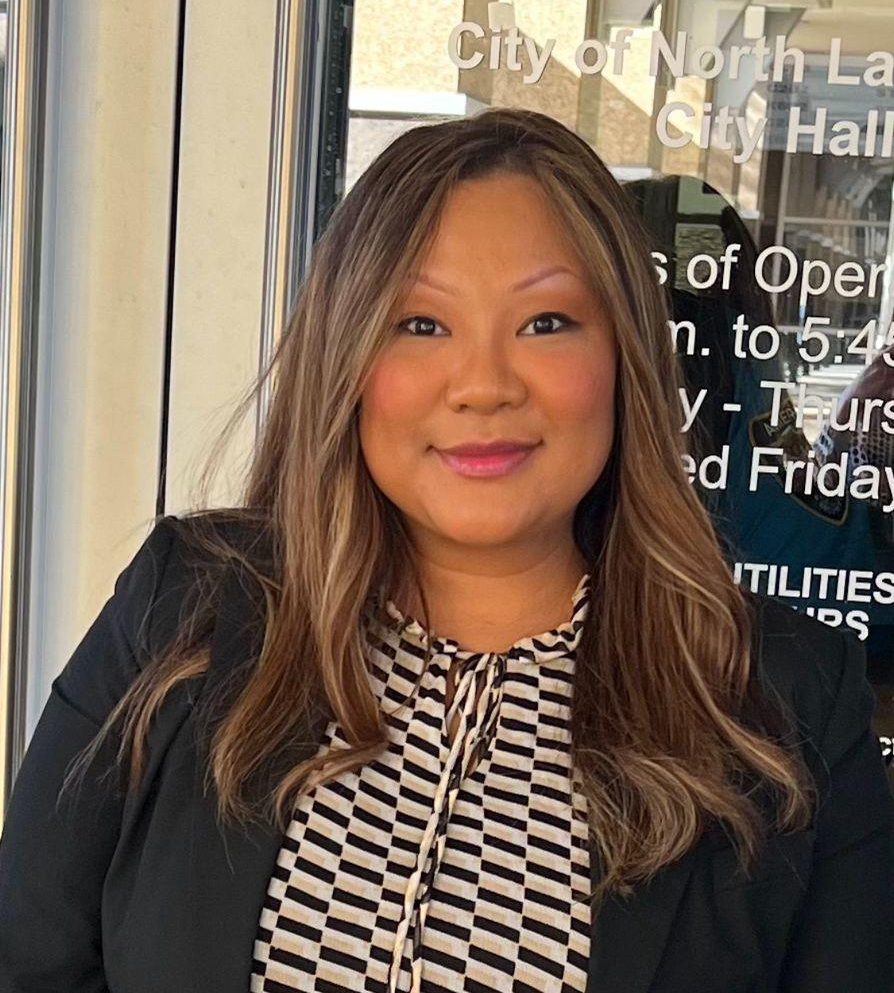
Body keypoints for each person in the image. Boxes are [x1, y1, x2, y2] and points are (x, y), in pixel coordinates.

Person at [0, 107, 892, 993]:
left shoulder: (788, 705)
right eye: (421, 324)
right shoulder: (183, 607)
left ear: (625, 355)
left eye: (546, 321)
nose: (483, 386)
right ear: (346, 357)